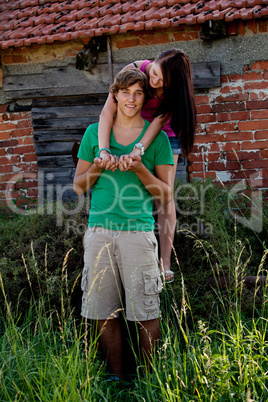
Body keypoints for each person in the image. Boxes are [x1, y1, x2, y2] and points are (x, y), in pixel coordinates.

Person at [73, 69, 174, 379]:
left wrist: (141, 169)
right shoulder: (94, 134)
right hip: (99, 233)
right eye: (125, 91)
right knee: (103, 313)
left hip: (139, 234)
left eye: (138, 92)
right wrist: (99, 168)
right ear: (114, 94)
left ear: (145, 99)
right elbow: (78, 186)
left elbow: (166, 195)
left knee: (145, 314)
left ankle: (150, 381)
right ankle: (117, 378)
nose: (131, 98)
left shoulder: (156, 140)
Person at [97, 49, 197, 283]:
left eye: (161, 81)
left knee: (164, 195)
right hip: (132, 126)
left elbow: (160, 121)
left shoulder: (174, 91)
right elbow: (106, 113)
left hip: (164, 134)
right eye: (154, 73)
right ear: (153, 63)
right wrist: (104, 149)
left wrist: (138, 150)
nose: (154, 81)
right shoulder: (132, 70)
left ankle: (165, 263)